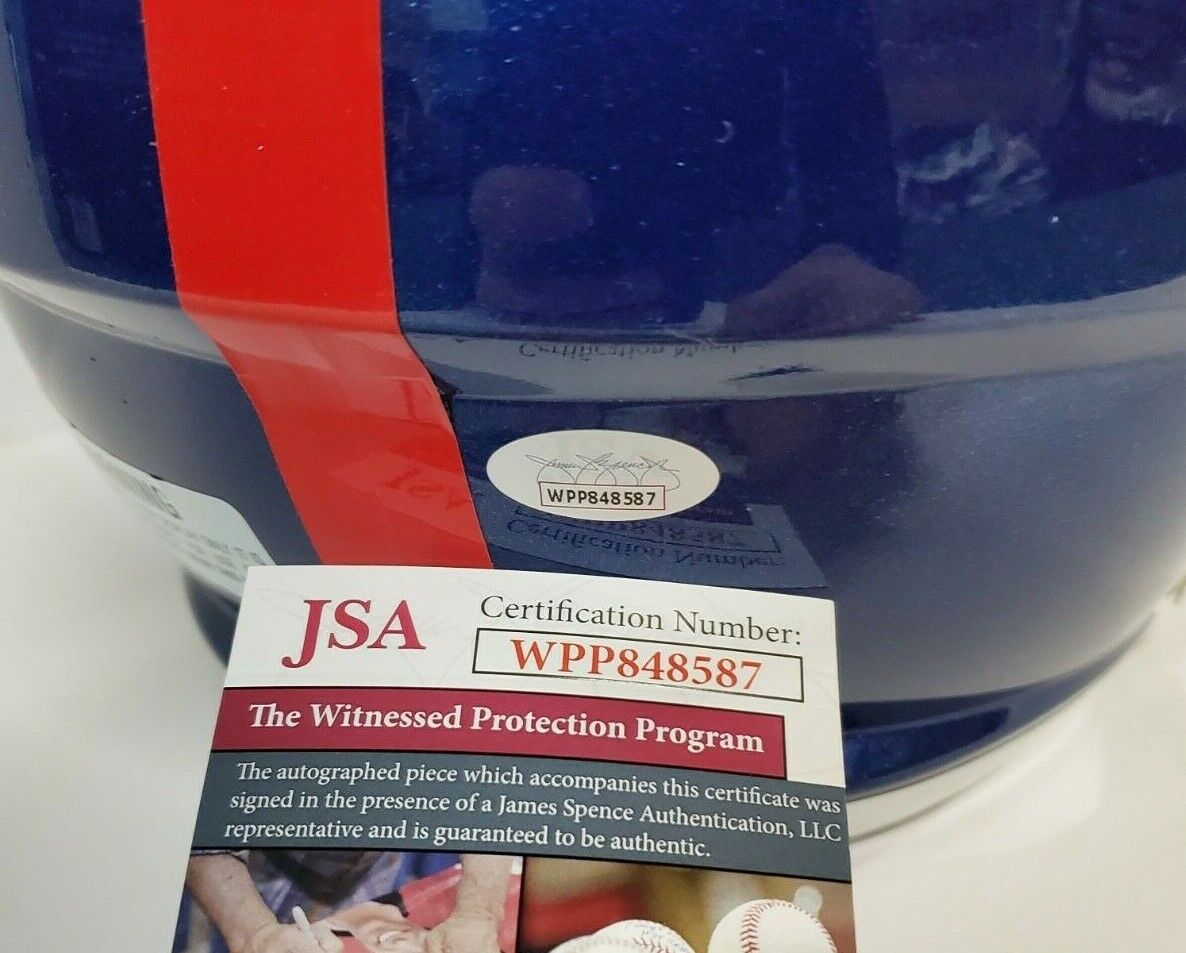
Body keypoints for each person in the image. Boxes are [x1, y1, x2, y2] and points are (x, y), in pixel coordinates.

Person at [183, 850, 513, 953]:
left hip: (373, 863)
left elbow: (486, 780)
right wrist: (254, 934)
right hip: (259, 870)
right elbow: (201, 819)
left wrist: (477, 915)